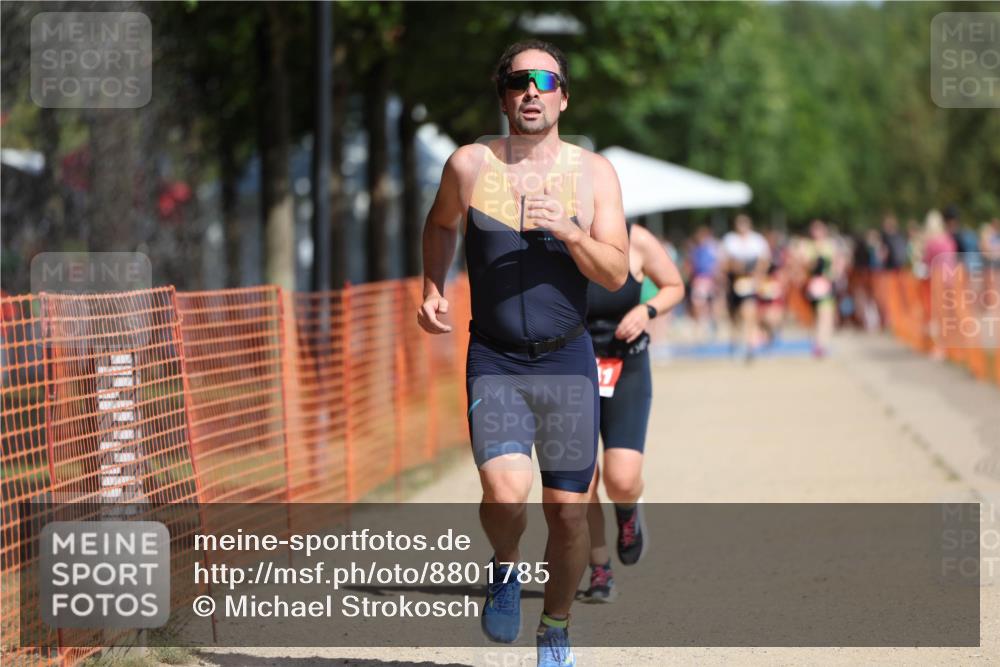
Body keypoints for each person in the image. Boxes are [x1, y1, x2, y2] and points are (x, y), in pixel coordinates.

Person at [417, 40, 629, 667]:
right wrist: (432, 285)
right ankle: (505, 566)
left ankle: (555, 627)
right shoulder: (469, 166)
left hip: (566, 359)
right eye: (517, 81)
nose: (531, 91)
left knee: (567, 515)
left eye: (544, 80)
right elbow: (440, 225)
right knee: (505, 495)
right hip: (498, 359)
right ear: (503, 95)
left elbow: (615, 273)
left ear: (564, 95)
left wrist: (569, 230)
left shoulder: (594, 175)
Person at [581, 222, 683, 603]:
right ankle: (600, 568)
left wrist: (646, 309)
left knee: (621, 479)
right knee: (581, 480)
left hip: (627, 367)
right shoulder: (557, 235)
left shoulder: (635, 238)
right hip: (573, 368)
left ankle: (628, 511)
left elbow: (675, 286)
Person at [720, 214, 770, 361]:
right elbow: (723, 263)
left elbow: (764, 261)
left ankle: (749, 345)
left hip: (749, 283)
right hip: (733, 282)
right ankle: (734, 344)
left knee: (748, 312)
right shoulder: (730, 240)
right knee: (734, 316)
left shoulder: (757, 241)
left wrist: (757, 277)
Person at [687, 226, 721, 340]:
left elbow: (715, 267)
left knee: (710, 304)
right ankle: (701, 327)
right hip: (699, 281)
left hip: (708, 281)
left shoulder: (711, 250)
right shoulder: (696, 251)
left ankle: (709, 326)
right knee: (699, 304)